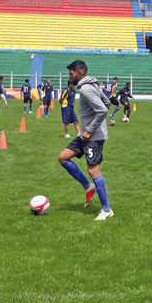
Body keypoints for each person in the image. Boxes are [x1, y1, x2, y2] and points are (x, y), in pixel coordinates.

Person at [57, 60, 114, 222]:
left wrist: (89, 129)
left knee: (93, 170)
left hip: (93, 137)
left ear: (80, 72)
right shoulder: (93, 84)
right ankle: (87, 186)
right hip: (85, 135)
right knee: (63, 157)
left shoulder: (87, 89)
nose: (70, 76)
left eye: (71, 73)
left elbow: (102, 109)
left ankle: (106, 209)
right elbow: (107, 102)